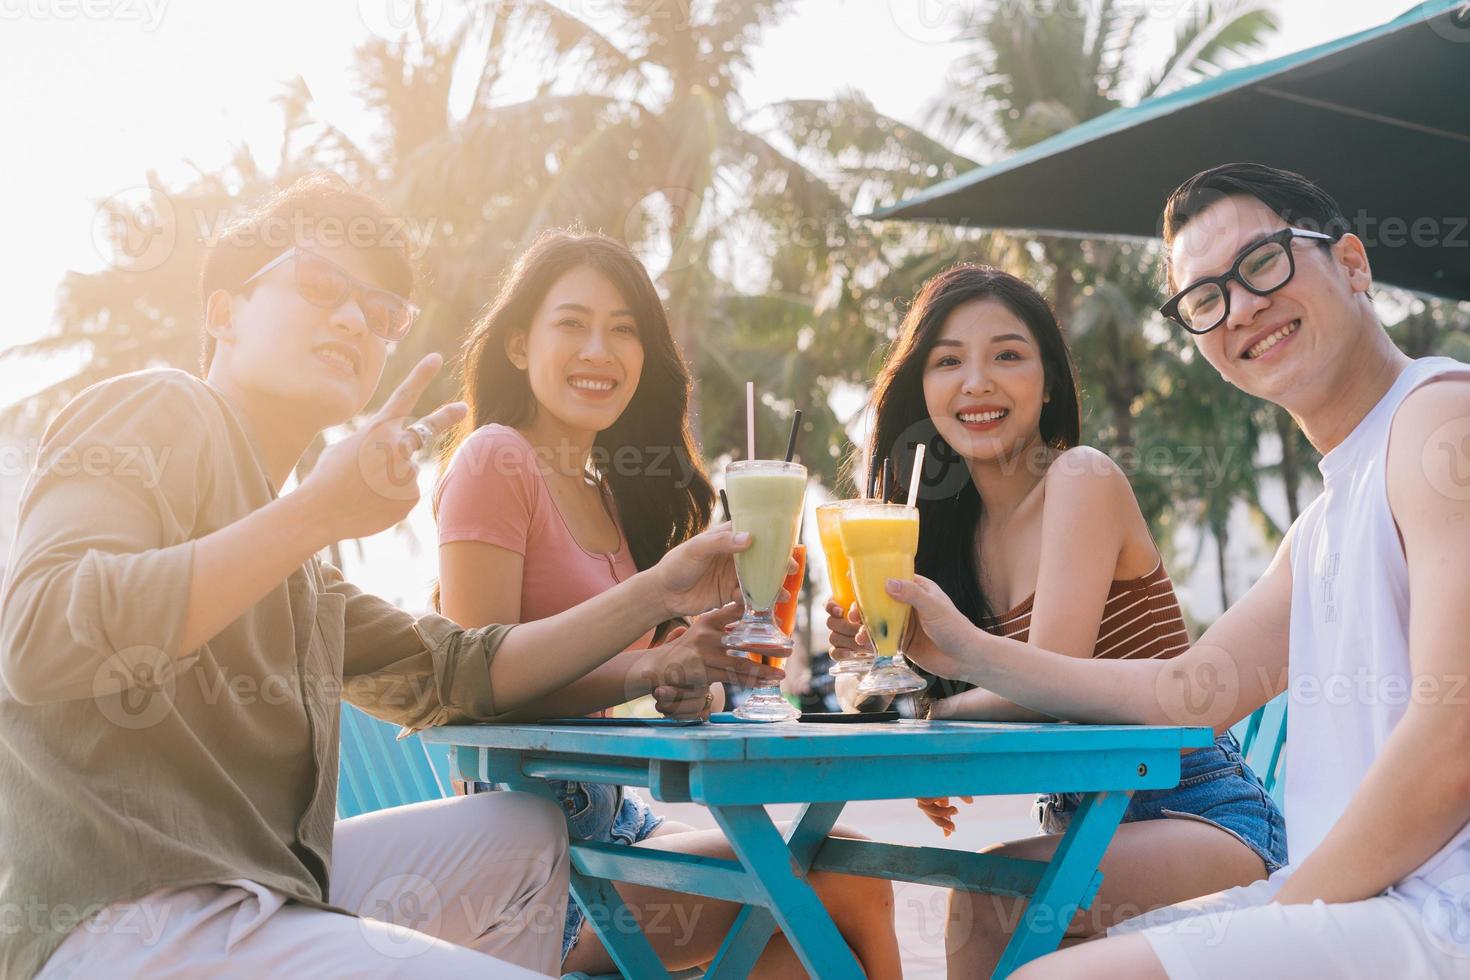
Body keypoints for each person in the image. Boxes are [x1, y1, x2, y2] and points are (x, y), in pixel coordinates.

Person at [0, 174, 781, 978]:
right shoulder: (158, 408)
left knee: (520, 835)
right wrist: (315, 512)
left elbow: (458, 667)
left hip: (266, 889)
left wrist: (659, 595)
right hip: (132, 920)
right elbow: (38, 638)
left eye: (380, 315)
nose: (351, 318)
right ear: (222, 313)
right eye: (319, 284)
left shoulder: (299, 574)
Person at [882, 163, 1470, 978]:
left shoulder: (1440, 419)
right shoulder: (1322, 522)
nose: (1243, 308)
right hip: (1356, 901)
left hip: (1433, 914)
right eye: (1206, 300)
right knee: (989, 915)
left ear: (1354, 265)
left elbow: (1455, 735)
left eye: (1262, 263)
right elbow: (1183, 692)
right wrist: (960, 654)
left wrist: (1287, 915)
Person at [435, 229, 902, 978]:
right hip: (526, 877)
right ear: (519, 346)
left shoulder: (607, 495)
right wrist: (647, 667)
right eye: (573, 323)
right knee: (844, 879)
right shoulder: (496, 456)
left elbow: (611, 669)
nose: (600, 350)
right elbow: (469, 684)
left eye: (625, 331)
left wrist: (692, 665)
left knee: (809, 953)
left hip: (609, 828)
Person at [828, 265, 1285, 976]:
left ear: (1047, 382)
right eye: (948, 361)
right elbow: (980, 686)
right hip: (1088, 822)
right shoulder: (951, 533)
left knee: (985, 899)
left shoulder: (1081, 479)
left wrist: (922, 711)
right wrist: (882, 665)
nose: (976, 382)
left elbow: (1042, 687)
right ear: (922, 387)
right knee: (960, 892)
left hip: (1200, 814)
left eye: (1007, 355)